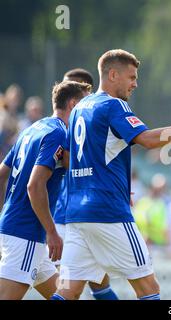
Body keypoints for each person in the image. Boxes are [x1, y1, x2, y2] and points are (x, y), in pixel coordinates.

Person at [51, 49, 171, 300]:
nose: (135, 84)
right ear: (113, 74)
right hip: (108, 211)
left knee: (67, 292)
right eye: (131, 77)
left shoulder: (81, 107)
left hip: (76, 213)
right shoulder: (113, 105)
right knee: (149, 289)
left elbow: (70, 159)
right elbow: (147, 140)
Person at [0, 81, 91, 299]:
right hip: (26, 234)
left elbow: (2, 174)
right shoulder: (59, 134)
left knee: (67, 295)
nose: (89, 111)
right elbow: (34, 185)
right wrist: (52, 232)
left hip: (20, 231)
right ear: (73, 104)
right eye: (85, 105)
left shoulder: (32, 129)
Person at [54, 68, 119, 300]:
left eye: (69, 87)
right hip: (65, 216)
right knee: (89, 286)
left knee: (86, 286)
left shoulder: (89, 124)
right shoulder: (58, 128)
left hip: (75, 216)